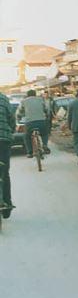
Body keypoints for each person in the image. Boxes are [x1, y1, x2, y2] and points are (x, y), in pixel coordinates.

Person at [17, 89, 49, 157]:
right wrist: (46, 115)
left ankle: (29, 152)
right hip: (41, 122)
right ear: (35, 94)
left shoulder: (23, 101)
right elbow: (46, 109)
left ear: (27, 95)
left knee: (26, 136)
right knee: (45, 133)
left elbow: (19, 112)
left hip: (29, 123)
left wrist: (19, 118)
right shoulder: (41, 99)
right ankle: (45, 145)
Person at [0, 90, 16, 219]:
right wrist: (11, 130)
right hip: (4, 140)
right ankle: (7, 204)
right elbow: (12, 119)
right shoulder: (4, 98)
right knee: (4, 172)